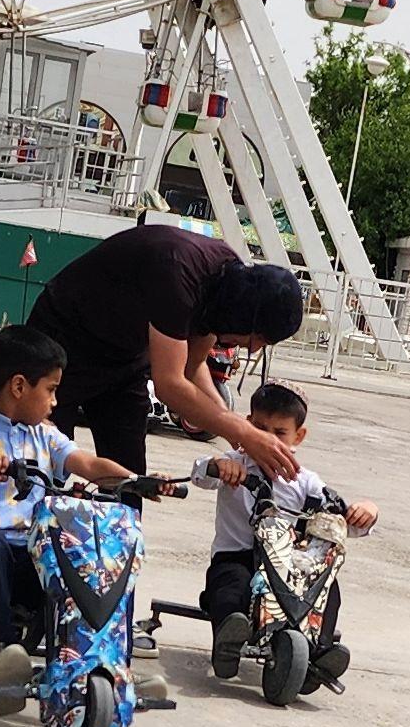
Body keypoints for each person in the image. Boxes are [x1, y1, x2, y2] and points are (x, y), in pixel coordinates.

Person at [0, 322, 140, 710]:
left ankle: (110, 666)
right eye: (51, 390)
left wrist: (138, 480)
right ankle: (2, 656)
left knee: (92, 555)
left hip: (30, 560)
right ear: (19, 386)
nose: (55, 402)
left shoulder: (44, 436)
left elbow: (88, 464)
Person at [25, 222, 307, 490]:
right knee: (44, 470)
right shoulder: (179, 274)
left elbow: (193, 367)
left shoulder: (225, 292)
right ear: (246, 317)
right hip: (63, 343)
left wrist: (238, 433)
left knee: (129, 479)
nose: (253, 349)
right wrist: (243, 432)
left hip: (124, 358)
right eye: (257, 339)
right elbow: (170, 385)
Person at [190, 379, 377, 685]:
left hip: (288, 566)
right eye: (260, 429)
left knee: (328, 589)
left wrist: (367, 510)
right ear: (247, 425)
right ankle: (229, 640)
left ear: (298, 436)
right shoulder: (235, 463)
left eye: (280, 433)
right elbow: (200, 473)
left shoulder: (304, 482)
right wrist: (217, 466)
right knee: (230, 585)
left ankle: (319, 652)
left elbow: (343, 518)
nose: (268, 439)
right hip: (237, 557)